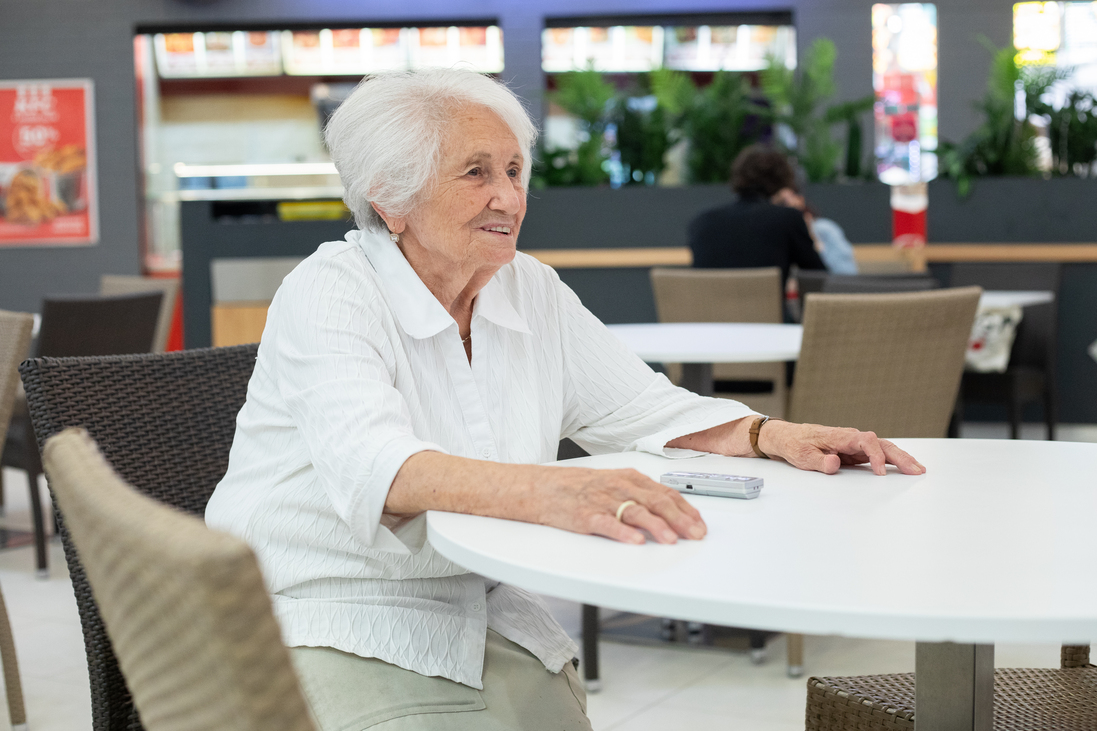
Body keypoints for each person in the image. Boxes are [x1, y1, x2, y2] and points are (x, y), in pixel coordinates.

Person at [205, 68, 924, 731]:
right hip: (319, 610)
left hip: (475, 607)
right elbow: (381, 470)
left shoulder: (531, 287)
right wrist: (557, 491)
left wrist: (771, 432)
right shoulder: (330, 289)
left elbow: (642, 405)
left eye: (515, 170)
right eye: (477, 172)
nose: (509, 197)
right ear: (391, 199)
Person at [688, 144, 826, 289]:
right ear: (782, 178)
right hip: (767, 311)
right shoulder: (787, 219)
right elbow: (817, 276)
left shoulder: (701, 223)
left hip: (711, 311)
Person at [771, 186, 858, 275]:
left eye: (786, 201)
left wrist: (813, 238)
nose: (785, 205)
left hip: (832, 283)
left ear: (800, 200)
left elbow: (845, 269)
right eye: (781, 203)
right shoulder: (779, 234)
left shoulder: (823, 228)